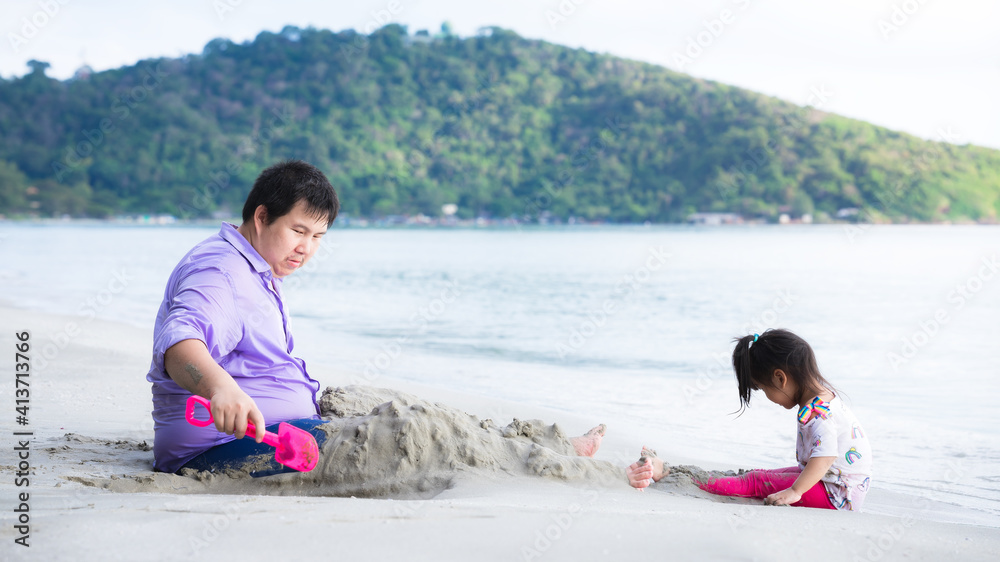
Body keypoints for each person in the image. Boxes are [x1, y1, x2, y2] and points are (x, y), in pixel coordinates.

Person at [146, 159, 609, 477]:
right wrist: (219, 387)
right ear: (263, 216)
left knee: (400, 408)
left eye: (319, 236)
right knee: (410, 436)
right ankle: (554, 464)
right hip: (221, 448)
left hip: (276, 428)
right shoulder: (220, 271)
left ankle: (532, 444)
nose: (307, 248)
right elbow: (180, 342)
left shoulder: (253, 266)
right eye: (299, 230)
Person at [626, 328, 873, 511]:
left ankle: (669, 473)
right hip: (840, 486)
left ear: (780, 378)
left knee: (755, 481)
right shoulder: (822, 399)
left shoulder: (818, 413)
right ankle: (684, 472)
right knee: (759, 474)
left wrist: (795, 492)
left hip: (836, 494)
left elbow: (825, 457)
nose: (769, 397)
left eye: (764, 389)